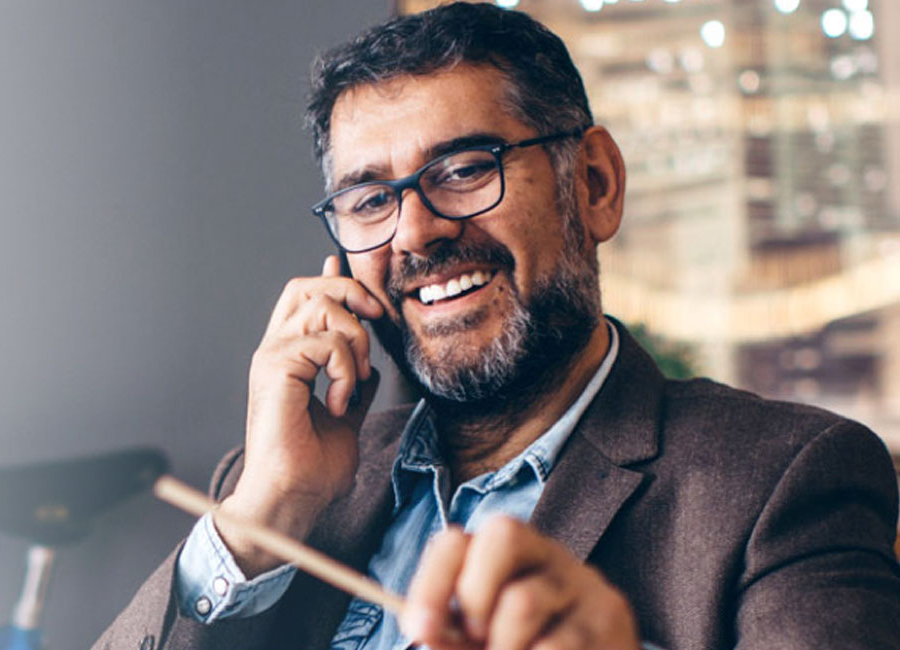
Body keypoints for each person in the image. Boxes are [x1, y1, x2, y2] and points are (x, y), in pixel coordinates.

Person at [95, 4, 900, 650]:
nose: (413, 233)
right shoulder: (276, 488)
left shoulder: (785, 481)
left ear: (593, 184)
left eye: (464, 169)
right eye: (371, 199)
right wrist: (264, 515)